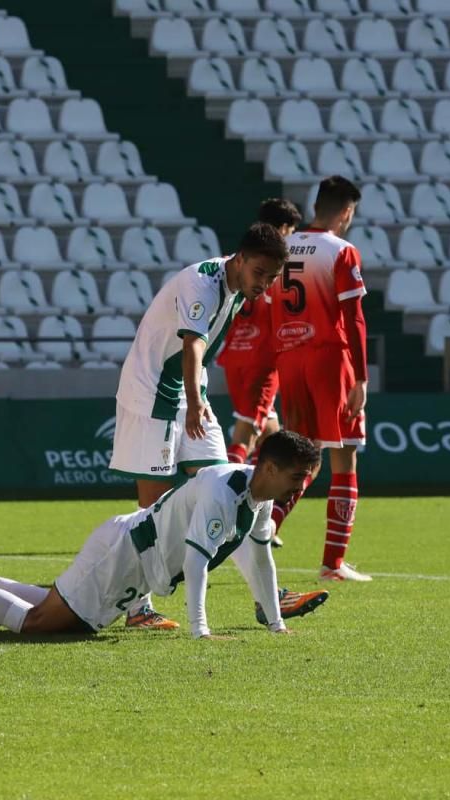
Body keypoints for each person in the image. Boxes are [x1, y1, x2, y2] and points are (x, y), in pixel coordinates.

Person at [0, 432, 328, 638]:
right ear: (270, 468)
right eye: (296, 477)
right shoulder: (224, 490)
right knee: (40, 625)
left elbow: (261, 559)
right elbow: (197, 561)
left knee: (61, 608)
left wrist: (276, 625)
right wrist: (201, 630)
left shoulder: (258, 496)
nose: (299, 487)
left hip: (130, 550)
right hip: (128, 556)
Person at [108, 223, 310, 630]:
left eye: (272, 279)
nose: (265, 285)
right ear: (239, 258)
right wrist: (197, 402)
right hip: (151, 395)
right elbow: (193, 345)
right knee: (152, 504)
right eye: (260, 274)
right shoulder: (203, 283)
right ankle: (137, 606)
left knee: (233, 486)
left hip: (187, 395)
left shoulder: (236, 290)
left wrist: (195, 398)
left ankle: (267, 599)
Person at [266, 176, 372, 582]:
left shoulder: (283, 247)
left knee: (302, 456)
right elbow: (354, 318)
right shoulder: (342, 251)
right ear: (346, 211)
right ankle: (333, 562)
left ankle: (264, 528)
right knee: (345, 458)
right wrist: (360, 378)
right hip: (331, 361)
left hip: (290, 360)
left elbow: (270, 304)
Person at [217, 199, 302, 472]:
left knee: (271, 437)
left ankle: (264, 500)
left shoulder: (242, 258)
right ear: (285, 228)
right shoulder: (281, 266)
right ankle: (227, 492)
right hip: (263, 357)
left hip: (234, 354)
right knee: (246, 431)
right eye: (292, 231)